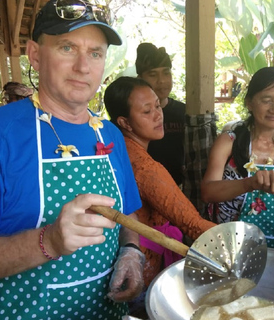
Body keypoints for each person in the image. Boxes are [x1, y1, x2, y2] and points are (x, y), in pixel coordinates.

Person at [0, 1, 145, 319]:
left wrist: (131, 250)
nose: (83, 67)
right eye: (67, 47)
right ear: (34, 54)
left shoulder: (110, 134)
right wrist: (50, 241)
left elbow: (127, 217)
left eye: (95, 53)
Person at [104, 76, 217, 316]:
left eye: (157, 105)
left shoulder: (115, 151)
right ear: (125, 122)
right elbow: (193, 225)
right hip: (140, 271)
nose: (158, 115)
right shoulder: (144, 167)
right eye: (147, 111)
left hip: (116, 262)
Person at [201, 66, 274, 250]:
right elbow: (207, 192)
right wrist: (249, 183)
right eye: (266, 100)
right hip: (229, 247)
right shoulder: (228, 144)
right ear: (250, 102)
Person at [135, 42, 186, 188]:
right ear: (140, 78)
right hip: (143, 188)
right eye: (153, 74)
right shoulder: (131, 116)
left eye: (166, 73)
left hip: (179, 188)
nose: (162, 80)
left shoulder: (184, 112)